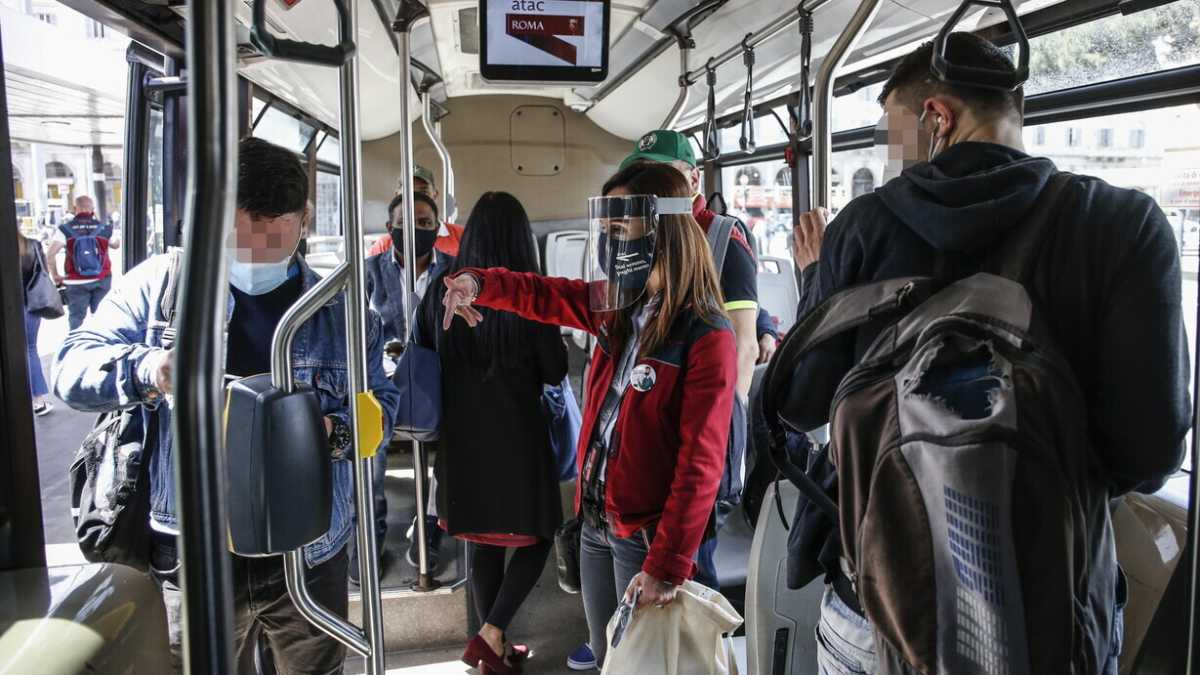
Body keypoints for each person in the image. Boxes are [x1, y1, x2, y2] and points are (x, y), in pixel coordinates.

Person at [788, 33, 1189, 674]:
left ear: (937, 117)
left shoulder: (861, 227)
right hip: (1053, 609)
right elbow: (1150, 454)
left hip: (880, 603)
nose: (892, 159)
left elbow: (801, 403)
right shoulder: (1125, 224)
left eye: (892, 135)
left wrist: (816, 280)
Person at [53, 137, 401, 675]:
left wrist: (330, 432)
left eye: (274, 238)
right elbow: (70, 370)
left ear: (304, 219)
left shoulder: (344, 312)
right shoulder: (160, 289)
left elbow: (382, 403)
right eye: (243, 241)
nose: (256, 256)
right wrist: (150, 369)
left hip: (308, 547)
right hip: (196, 548)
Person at [440, 162, 737, 671]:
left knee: (639, 663)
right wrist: (479, 281)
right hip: (597, 521)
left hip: (642, 536)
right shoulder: (618, 309)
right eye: (607, 230)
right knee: (607, 656)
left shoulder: (707, 336)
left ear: (662, 230)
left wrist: (667, 565)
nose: (610, 244)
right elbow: (543, 294)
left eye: (619, 230)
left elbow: (700, 466)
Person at [415, 192, 567, 675]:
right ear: (523, 242)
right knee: (540, 535)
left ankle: (492, 649)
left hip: (460, 440)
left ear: (472, 237)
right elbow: (555, 369)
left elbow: (421, 350)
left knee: (484, 543)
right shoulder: (530, 294)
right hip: (518, 437)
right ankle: (492, 633)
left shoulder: (443, 287)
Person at [615, 129, 759, 599]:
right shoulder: (641, 235)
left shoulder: (722, 237)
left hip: (697, 420)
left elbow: (743, 342)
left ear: (694, 179)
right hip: (647, 416)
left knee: (693, 564)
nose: (653, 188)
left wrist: (717, 428)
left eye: (665, 176)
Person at [360, 190, 453, 581]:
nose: (415, 231)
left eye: (424, 224)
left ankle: (429, 523)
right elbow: (357, 329)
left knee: (457, 436)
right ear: (389, 229)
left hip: (436, 375)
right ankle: (368, 535)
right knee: (366, 437)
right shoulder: (370, 272)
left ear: (437, 228)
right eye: (405, 224)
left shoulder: (455, 270)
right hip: (383, 378)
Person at [47, 195, 120, 330]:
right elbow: (116, 244)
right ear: (92, 209)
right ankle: (102, 347)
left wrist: (56, 276)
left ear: (75, 209)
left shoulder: (65, 229)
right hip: (102, 279)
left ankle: (75, 347)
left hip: (75, 282)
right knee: (102, 318)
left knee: (76, 319)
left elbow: (50, 255)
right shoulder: (103, 228)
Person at [368, 165, 464, 257]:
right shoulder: (384, 245)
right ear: (397, 195)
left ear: (435, 194)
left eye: (423, 192)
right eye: (408, 192)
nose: (416, 198)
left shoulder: (462, 236)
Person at [18, 233, 53, 416]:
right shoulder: (32, 245)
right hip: (30, 304)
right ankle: (38, 400)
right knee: (30, 349)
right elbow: (43, 271)